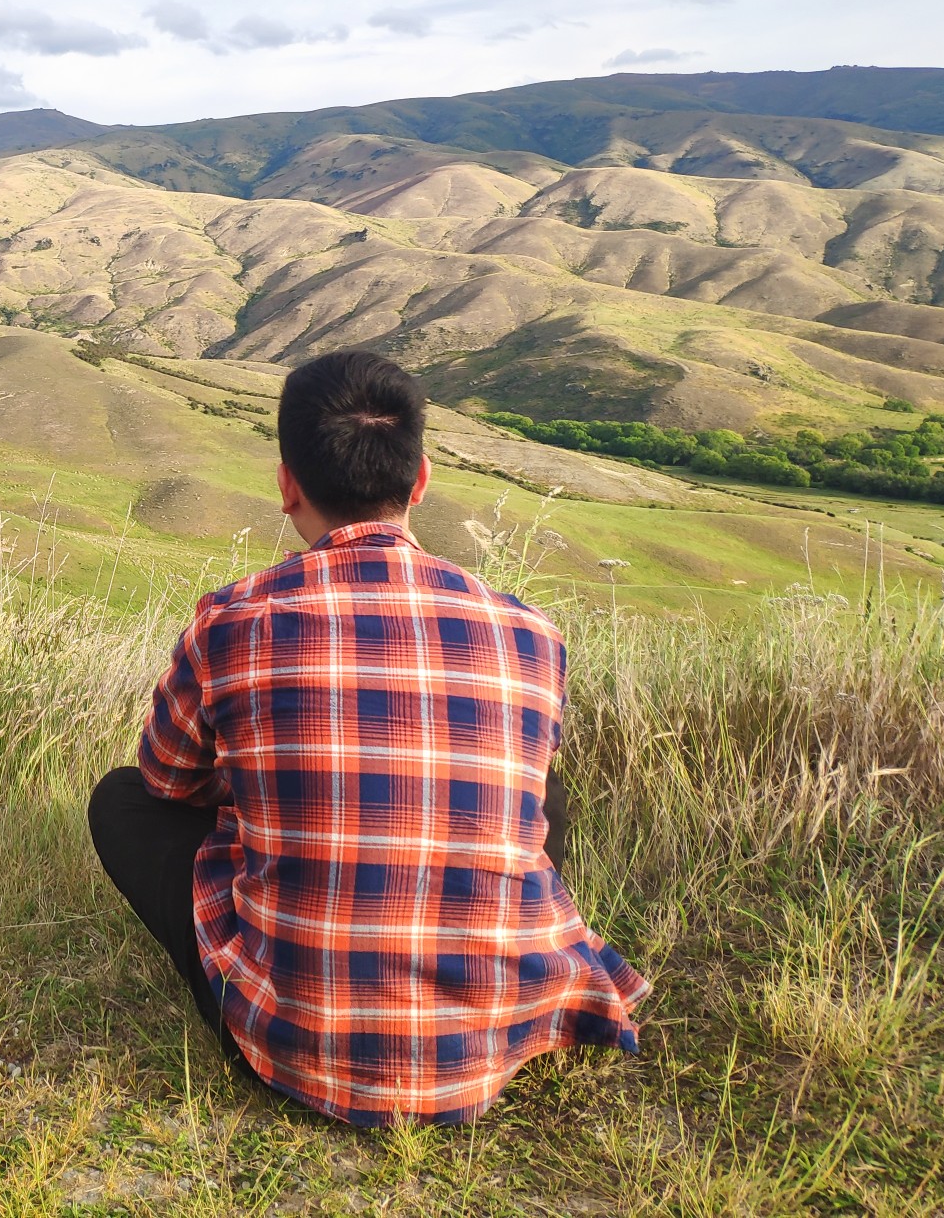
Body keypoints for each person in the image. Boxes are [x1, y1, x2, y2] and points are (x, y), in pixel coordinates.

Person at [88, 349, 648, 1126]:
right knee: (535, 787)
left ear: (287, 486)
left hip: (290, 1049)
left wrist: (259, 792)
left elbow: (166, 782)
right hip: (495, 1042)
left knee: (119, 801)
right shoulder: (529, 631)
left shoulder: (232, 622)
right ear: (419, 483)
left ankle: (263, 979)